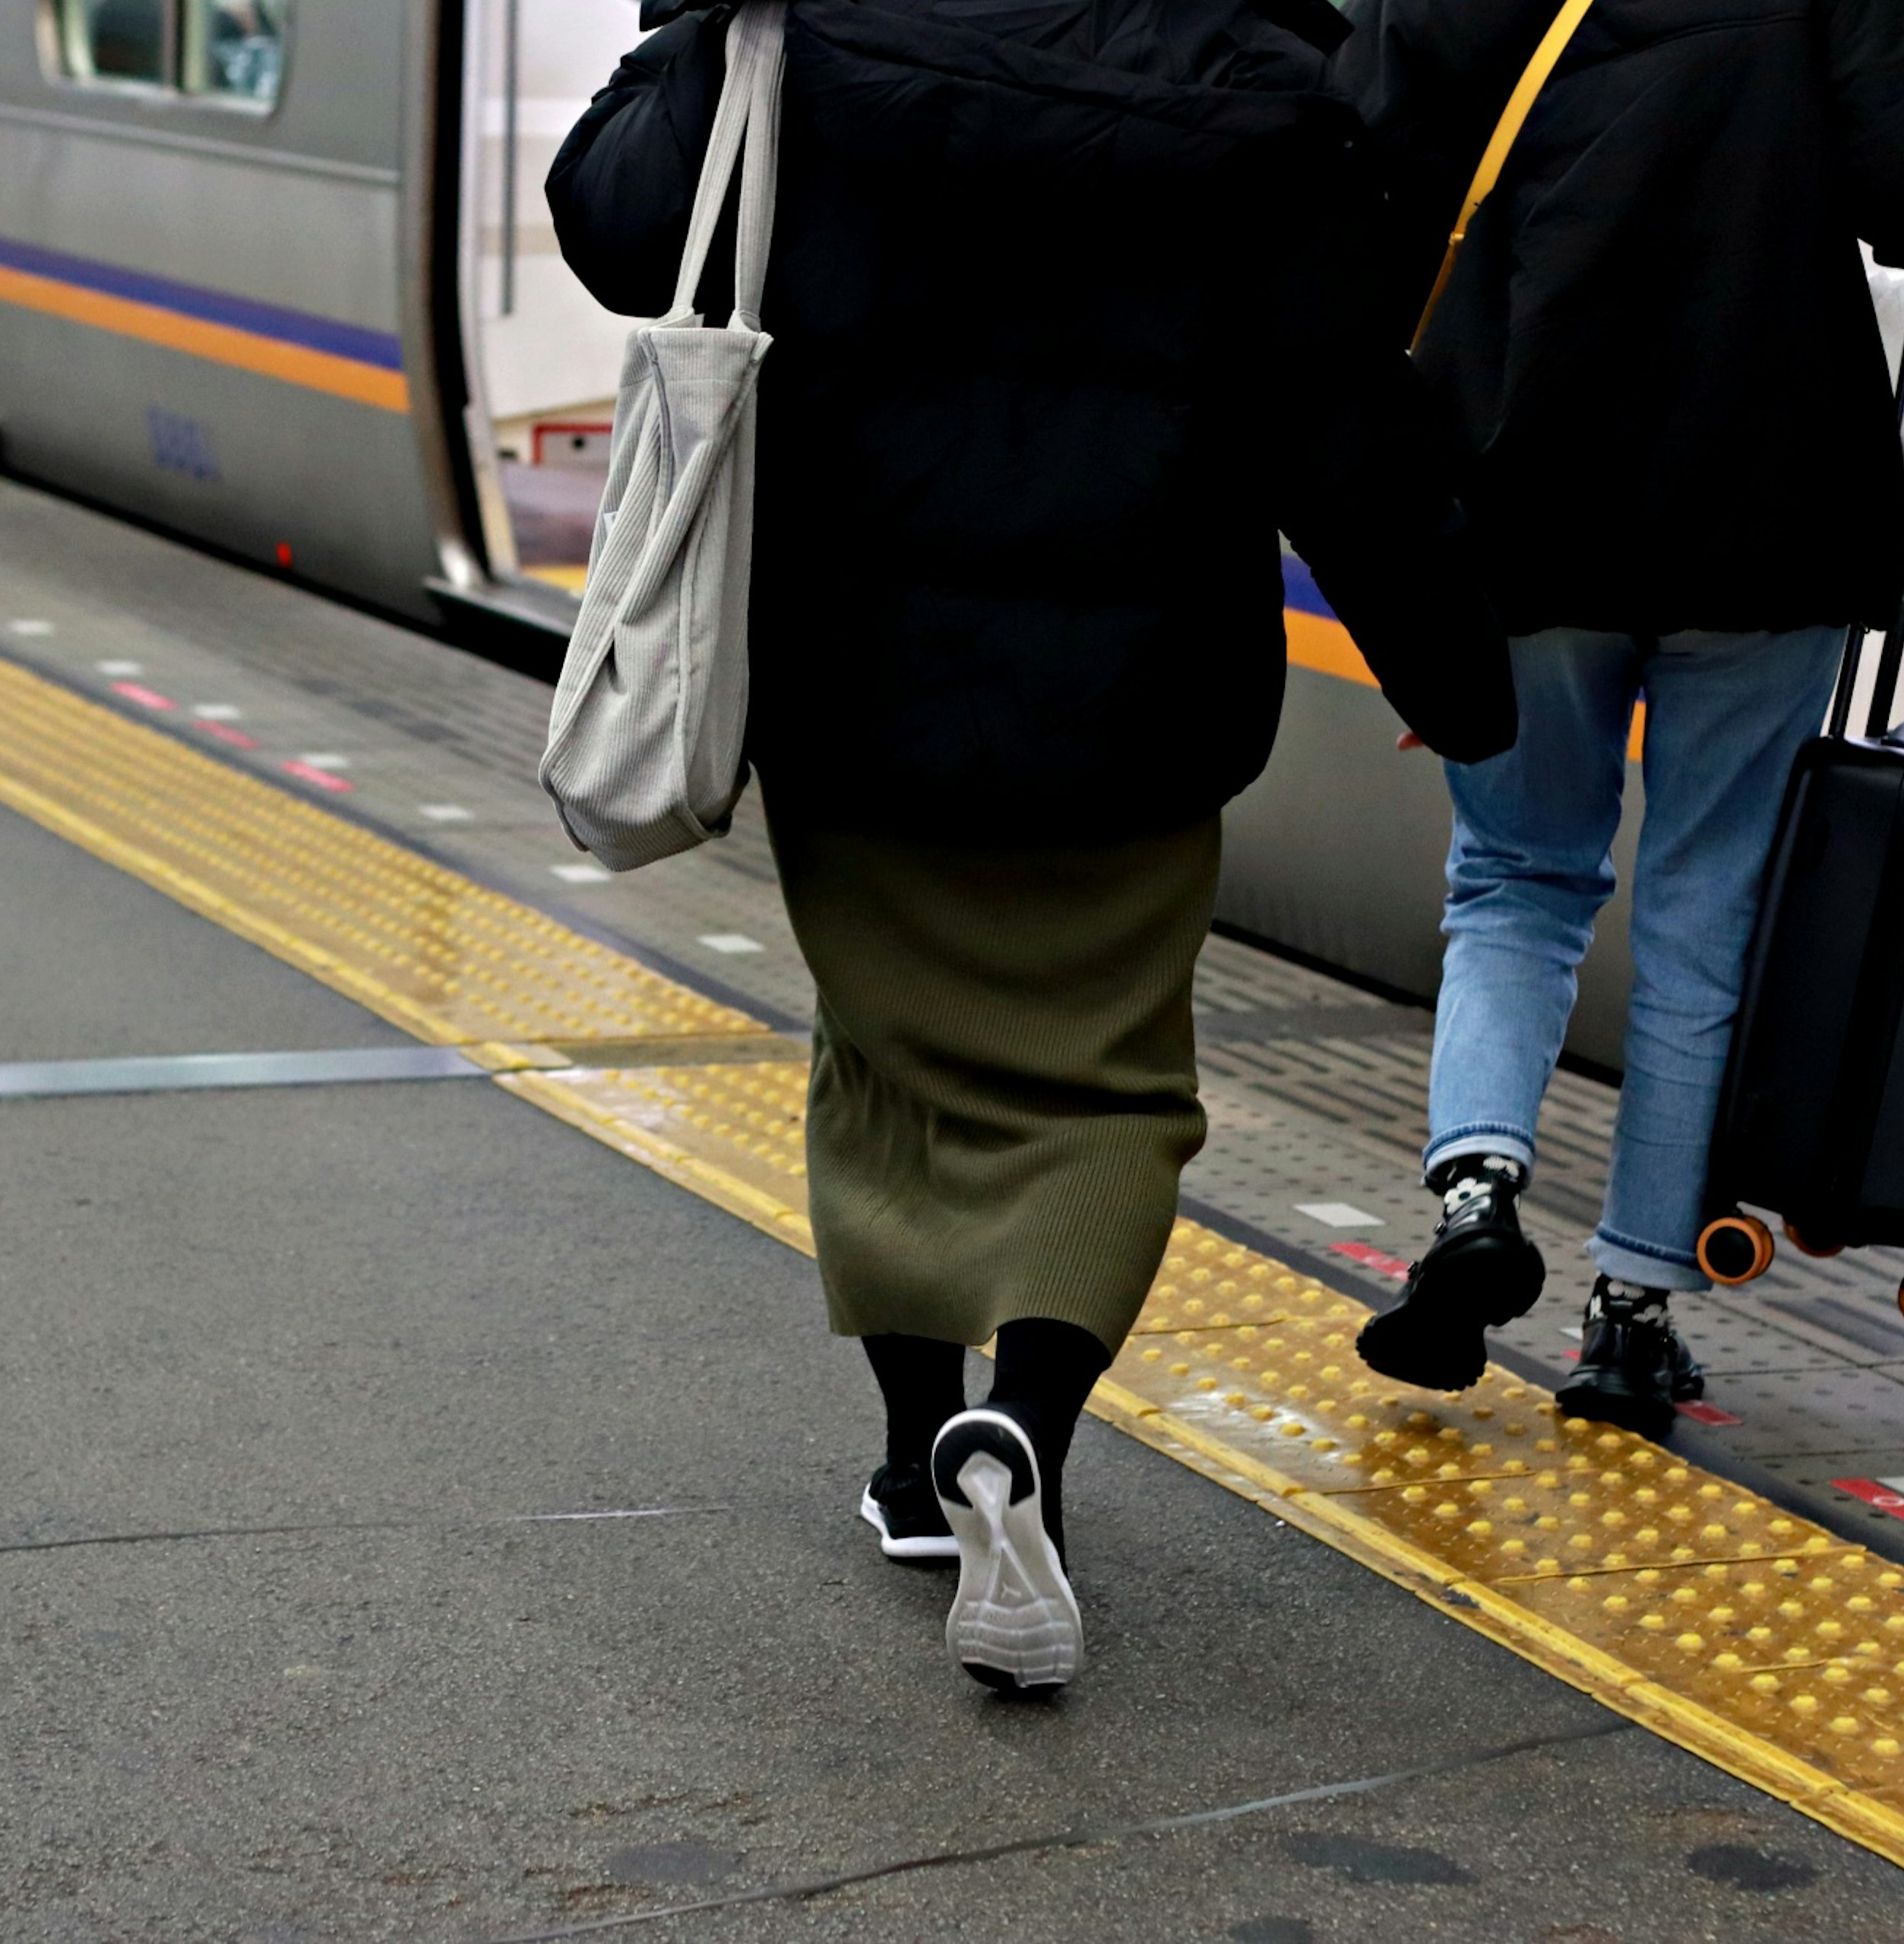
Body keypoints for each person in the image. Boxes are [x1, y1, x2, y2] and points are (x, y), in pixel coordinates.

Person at [549, 0, 1515, 1693]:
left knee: (886, 1064)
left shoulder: (801, 38)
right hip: (1132, 706)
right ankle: (1028, 1432)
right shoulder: (1259, 81)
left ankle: (924, 1466)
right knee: (1108, 1092)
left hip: (853, 687)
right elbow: (1340, 421)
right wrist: (1460, 681)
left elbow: (612, 221)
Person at [1333, 0, 1904, 1432]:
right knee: (1711, 905)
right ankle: (1633, 1306)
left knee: (1516, 879)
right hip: (1765, 515)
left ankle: (1477, 1194)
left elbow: (1361, 148)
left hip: (1522, 496)